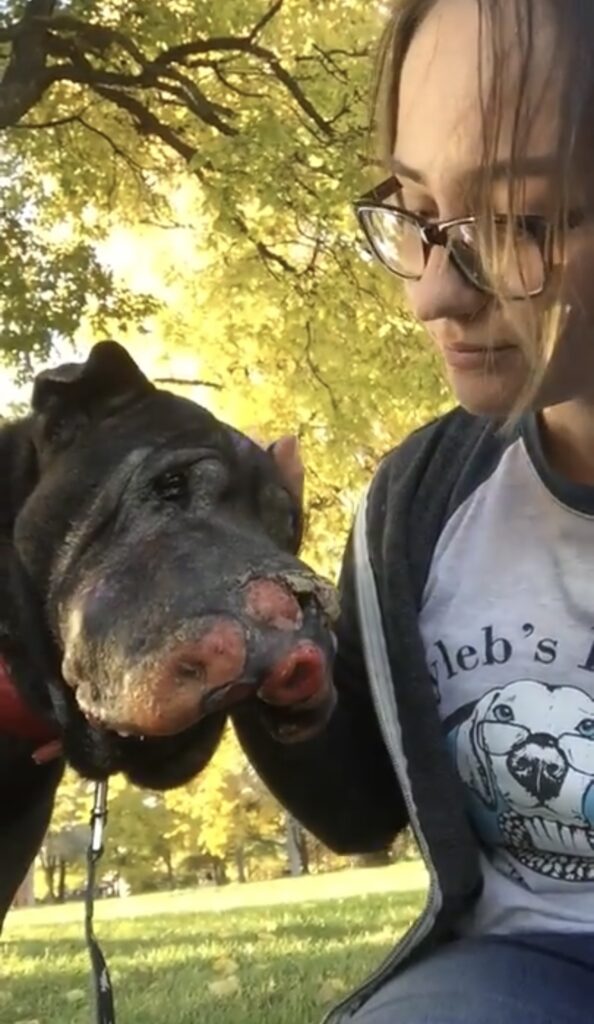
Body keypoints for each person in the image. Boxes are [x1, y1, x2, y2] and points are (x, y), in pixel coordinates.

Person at [233, 1, 594, 1020]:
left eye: (522, 220)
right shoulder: (421, 505)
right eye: (413, 205)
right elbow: (363, 811)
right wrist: (274, 660)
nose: (432, 295)